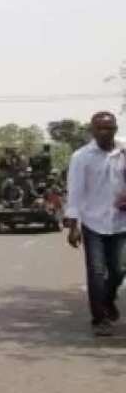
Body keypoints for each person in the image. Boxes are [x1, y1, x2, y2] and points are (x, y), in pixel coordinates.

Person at [63, 111, 126, 337]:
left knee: (119, 269)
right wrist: (73, 226)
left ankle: (107, 300)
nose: (104, 132)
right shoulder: (81, 157)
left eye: (109, 128)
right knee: (96, 272)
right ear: (92, 131)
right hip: (93, 223)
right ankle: (99, 318)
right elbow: (76, 192)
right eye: (99, 128)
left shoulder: (124, 151)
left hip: (121, 222)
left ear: (115, 129)